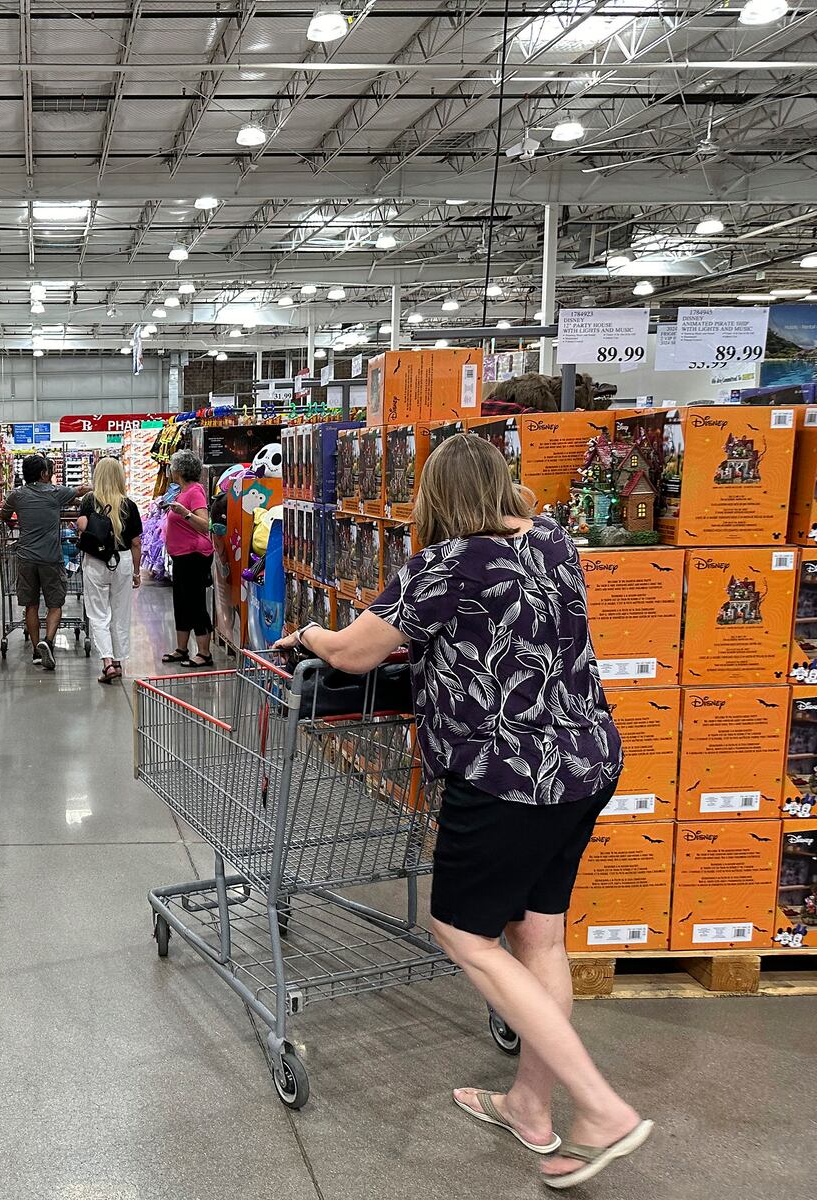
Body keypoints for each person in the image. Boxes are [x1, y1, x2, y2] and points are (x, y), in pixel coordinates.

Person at [271, 434, 651, 1191]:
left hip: (508, 772)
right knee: (539, 934)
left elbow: (350, 653)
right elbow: (500, 635)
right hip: (587, 758)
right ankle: (529, 1108)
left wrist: (308, 633)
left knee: (462, 932)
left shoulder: (445, 565)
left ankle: (602, 1108)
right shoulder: (552, 540)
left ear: (436, 497)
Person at [0, 455, 85, 670]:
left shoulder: (17, 495)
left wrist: (13, 521)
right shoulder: (56, 493)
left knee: (31, 604)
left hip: (26, 557)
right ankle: (47, 641)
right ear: (43, 473)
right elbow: (81, 491)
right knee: (55, 603)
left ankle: (37, 652)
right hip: (50, 558)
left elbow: (4, 515)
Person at [75, 457, 143, 684]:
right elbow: (136, 543)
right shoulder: (129, 505)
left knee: (98, 613)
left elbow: (82, 525)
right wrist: (136, 571)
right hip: (122, 561)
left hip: (96, 560)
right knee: (120, 613)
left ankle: (107, 661)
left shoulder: (89, 500)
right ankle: (119, 662)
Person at [161, 448, 215, 668]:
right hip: (181, 557)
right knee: (181, 603)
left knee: (195, 604)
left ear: (179, 470)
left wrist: (185, 513)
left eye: (172, 466)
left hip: (195, 556)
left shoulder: (194, 492)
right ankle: (181, 649)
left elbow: (205, 524)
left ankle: (204, 653)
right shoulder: (180, 491)